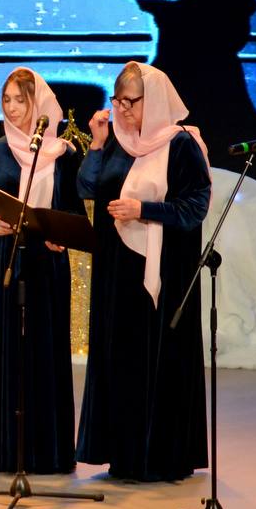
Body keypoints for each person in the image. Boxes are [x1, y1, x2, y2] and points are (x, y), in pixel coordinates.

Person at [76, 62, 211, 482]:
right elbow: (86, 188)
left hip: (164, 276)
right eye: (117, 101)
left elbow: (195, 208)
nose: (122, 110)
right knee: (119, 361)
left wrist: (143, 209)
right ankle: (122, 454)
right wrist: (97, 145)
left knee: (157, 361)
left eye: (130, 102)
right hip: (117, 272)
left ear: (152, 102)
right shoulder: (117, 142)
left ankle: (161, 457)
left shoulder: (182, 144)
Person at [0, 68, 82, 474]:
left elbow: (73, 210)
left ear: (40, 104)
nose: (12, 108)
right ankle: (2, 448)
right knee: (5, 348)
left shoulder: (64, 154)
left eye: (21, 100)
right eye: (7, 100)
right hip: (5, 259)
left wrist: (61, 235)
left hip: (48, 262)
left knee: (44, 349)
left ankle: (47, 450)